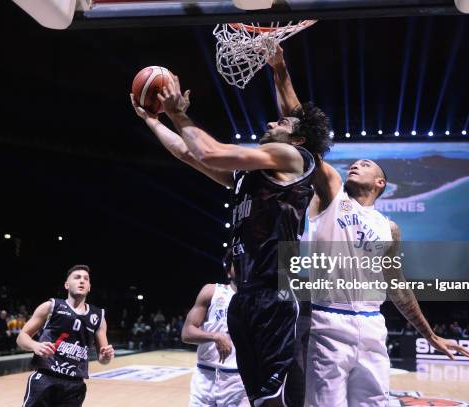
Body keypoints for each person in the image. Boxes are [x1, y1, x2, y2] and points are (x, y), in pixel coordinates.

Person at [268, 44, 469, 407]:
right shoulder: (331, 194)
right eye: (354, 163)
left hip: (373, 324)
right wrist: (280, 69)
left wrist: (432, 335)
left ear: (381, 183)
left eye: (366, 164)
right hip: (328, 323)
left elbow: (398, 288)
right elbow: (305, 132)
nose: (356, 165)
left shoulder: (389, 228)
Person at [131, 71, 330, 406]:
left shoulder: (294, 158)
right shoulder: (248, 176)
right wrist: (152, 120)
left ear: (296, 140)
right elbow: (188, 153)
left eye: (281, 122)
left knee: (274, 401)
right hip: (244, 298)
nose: (271, 122)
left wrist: (179, 112)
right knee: (255, 399)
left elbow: (209, 152)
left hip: (275, 297)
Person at [17, 265, 114, 407]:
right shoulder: (51, 306)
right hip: (45, 378)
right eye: (77, 277)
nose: (82, 281)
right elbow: (21, 337)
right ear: (67, 285)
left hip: (75, 386)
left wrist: (106, 357)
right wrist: (35, 345)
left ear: (89, 287)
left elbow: (103, 358)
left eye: (86, 279)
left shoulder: (98, 316)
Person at [182, 252, 248, 407]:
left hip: (238, 380)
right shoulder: (211, 291)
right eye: (236, 262)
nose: (241, 266)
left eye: (245, 262)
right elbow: (186, 332)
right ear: (227, 269)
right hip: (205, 376)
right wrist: (215, 336)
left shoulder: (258, 299)